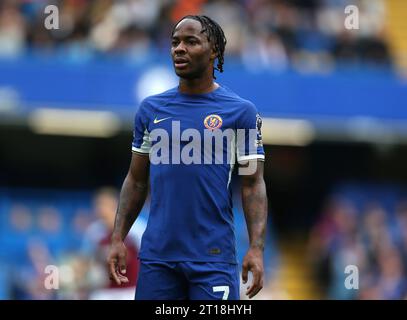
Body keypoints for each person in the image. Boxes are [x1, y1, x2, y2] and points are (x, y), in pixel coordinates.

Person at [108, 15, 268, 300]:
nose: (179, 48)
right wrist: (119, 237)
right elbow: (135, 180)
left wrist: (256, 247)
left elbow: (252, 184)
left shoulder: (241, 112)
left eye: (191, 41)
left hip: (213, 258)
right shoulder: (151, 109)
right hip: (158, 258)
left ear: (214, 50)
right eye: (175, 42)